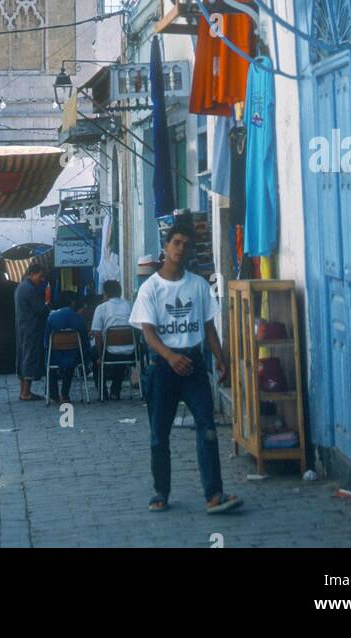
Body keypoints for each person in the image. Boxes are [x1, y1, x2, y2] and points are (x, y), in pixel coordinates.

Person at [130, 218, 242, 516]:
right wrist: (169, 356)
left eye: (186, 245)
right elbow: (148, 333)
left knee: (206, 428)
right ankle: (160, 492)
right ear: (165, 247)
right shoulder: (150, 289)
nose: (181, 249)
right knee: (159, 434)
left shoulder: (198, 285)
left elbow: (208, 327)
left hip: (193, 365)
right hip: (163, 367)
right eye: (176, 243)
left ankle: (214, 493)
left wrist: (220, 357)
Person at [91, 279, 134, 401]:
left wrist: (100, 355)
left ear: (106, 294)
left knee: (94, 353)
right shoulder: (129, 305)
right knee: (120, 352)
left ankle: (102, 390)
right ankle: (115, 390)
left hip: (109, 352)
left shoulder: (101, 308)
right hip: (130, 352)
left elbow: (97, 334)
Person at [44, 293, 89, 404]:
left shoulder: (51, 318)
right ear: (72, 304)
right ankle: (65, 394)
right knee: (72, 361)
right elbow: (84, 340)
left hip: (55, 356)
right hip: (73, 357)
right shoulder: (78, 318)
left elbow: (46, 342)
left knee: (49, 360)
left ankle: (53, 393)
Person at [15, 262, 48, 401]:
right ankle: (26, 392)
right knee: (29, 358)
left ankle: (23, 391)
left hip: (23, 328)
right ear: (32, 274)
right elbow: (40, 309)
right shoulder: (29, 289)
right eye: (40, 276)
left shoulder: (21, 287)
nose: (41, 280)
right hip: (30, 328)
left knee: (23, 358)